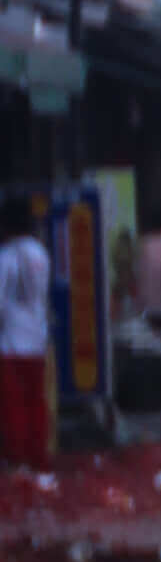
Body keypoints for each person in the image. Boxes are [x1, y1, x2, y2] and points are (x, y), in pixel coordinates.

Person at [0, 191, 53, 468]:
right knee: (35, 402)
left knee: (13, 406)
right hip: (37, 338)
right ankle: (37, 457)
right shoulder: (40, 253)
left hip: (10, 344)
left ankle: (17, 459)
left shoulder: (6, 256)